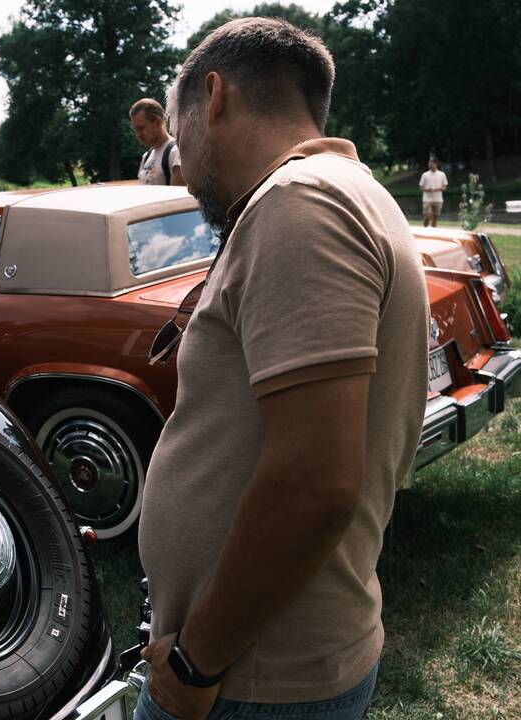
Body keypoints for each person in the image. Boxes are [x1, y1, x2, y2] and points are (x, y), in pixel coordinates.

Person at [136, 17, 428, 720]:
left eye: (177, 134)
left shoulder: (299, 204)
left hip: (249, 679)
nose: (179, 164)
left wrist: (194, 660)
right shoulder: (339, 189)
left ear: (214, 98)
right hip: (268, 664)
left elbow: (313, 484)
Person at [130, 98, 185, 186]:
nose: (138, 134)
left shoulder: (176, 152)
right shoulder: (146, 156)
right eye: (135, 130)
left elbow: (179, 197)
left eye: (141, 128)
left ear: (158, 122)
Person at [419, 158, 448, 227]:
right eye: (429, 164)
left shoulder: (442, 174)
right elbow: (421, 187)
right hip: (427, 199)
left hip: (438, 199)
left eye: (431, 164)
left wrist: (438, 189)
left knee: (435, 216)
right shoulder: (425, 175)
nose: (430, 166)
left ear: (436, 165)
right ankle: (425, 227)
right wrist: (427, 189)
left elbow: (444, 186)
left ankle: (433, 230)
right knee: (428, 215)